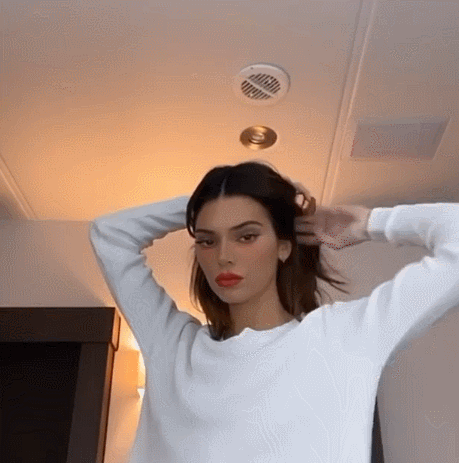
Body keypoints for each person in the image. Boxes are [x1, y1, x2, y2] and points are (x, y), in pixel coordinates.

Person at [89, 159, 459, 463]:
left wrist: (370, 224)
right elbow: (109, 234)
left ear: (284, 246)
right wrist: (208, 199)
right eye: (206, 240)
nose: (223, 256)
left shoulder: (344, 336)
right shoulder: (172, 346)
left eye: (246, 235)